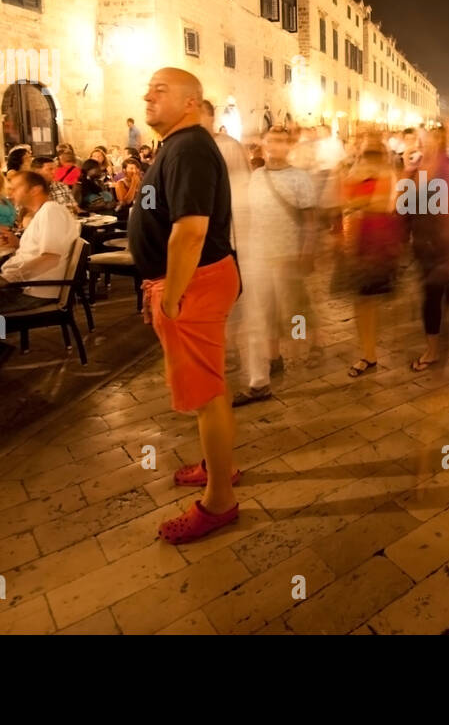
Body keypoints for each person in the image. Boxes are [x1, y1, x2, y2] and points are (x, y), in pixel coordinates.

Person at [127, 67, 241, 544]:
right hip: (187, 282)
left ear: (191, 102)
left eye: (161, 89)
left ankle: (219, 503)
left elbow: (191, 230)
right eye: (148, 86)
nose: (147, 94)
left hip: (191, 284)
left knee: (205, 394)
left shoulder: (190, 147)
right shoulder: (179, 145)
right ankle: (221, 466)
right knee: (208, 386)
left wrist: (170, 296)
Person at [235, 125, 323, 403]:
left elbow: (310, 218)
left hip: (288, 254)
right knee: (266, 310)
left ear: (289, 146)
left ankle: (315, 343)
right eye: (272, 140)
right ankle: (274, 357)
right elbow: (248, 215)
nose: (276, 145)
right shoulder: (256, 176)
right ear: (263, 144)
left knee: (297, 306)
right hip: (261, 254)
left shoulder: (299, 178)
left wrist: (307, 250)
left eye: (283, 141)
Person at [0, 170, 80, 312]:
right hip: (26, 287)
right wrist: (17, 244)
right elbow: (44, 251)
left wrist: (7, 279)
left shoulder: (51, 211)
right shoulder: (43, 212)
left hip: (33, 292)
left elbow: (51, 258)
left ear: (35, 190)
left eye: (15, 188)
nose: (10, 193)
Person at [340, 132, 402, 377]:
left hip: (377, 242)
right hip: (358, 241)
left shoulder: (387, 174)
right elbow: (346, 200)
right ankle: (368, 352)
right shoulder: (355, 172)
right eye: (366, 150)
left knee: (368, 300)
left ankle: (369, 353)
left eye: (372, 150)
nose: (368, 155)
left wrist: (357, 199)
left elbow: (382, 204)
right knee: (361, 301)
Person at [408, 126, 449, 370]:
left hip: (443, 241)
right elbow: (407, 202)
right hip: (422, 240)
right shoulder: (419, 166)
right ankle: (435, 340)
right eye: (423, 140)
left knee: (431, 294)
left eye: (430, 140)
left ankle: (432, 351)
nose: (424, 144)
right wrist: (406, 171)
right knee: (433, 292)